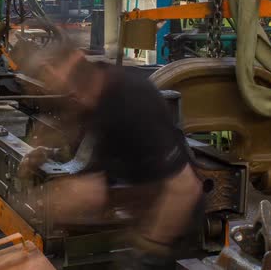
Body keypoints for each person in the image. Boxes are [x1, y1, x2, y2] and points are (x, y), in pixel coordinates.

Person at [21, 46, 203, 268]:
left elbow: (185, 187)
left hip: (170, 225)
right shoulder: (92, 95)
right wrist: (51, 156)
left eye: (52, 72)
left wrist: (148, 251)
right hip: (134, 220)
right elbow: (100, 164)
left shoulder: (131, 100)